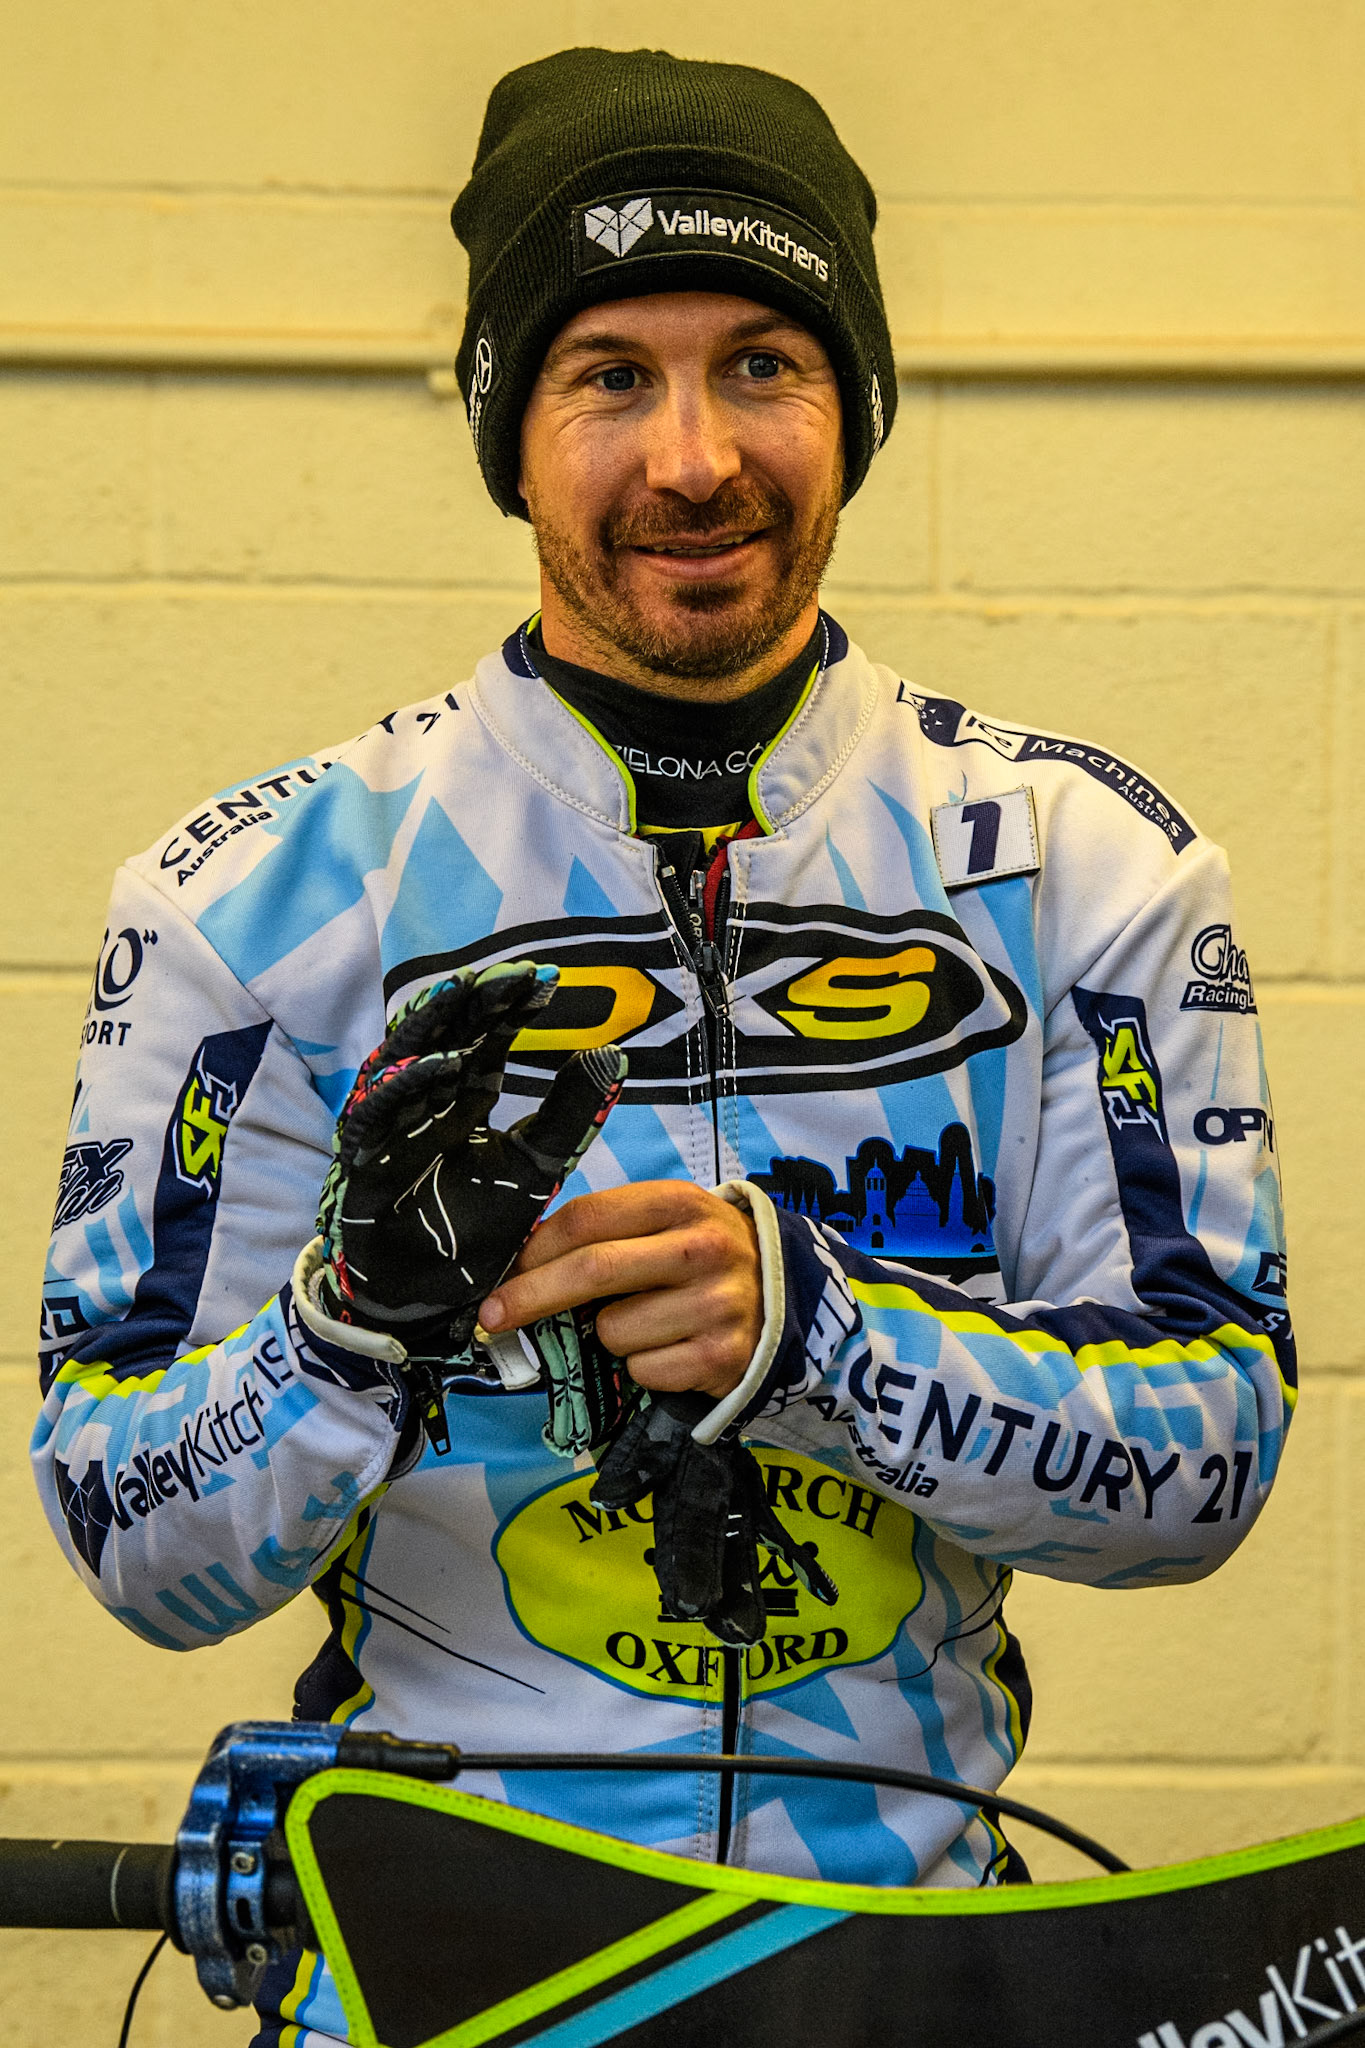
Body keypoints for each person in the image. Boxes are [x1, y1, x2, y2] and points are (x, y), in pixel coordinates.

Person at [33, 43, 1293, 2041]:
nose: (693, 457)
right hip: (442, 1967)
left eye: (763, 366)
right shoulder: (257, 900)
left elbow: (1210, 1449)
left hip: (906, 1964)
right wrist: (348, 1324)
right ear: (509, 429)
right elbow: (131, 1532)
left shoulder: (1082, 866)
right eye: (609, 372)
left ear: (851, 410)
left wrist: (822, 1342)